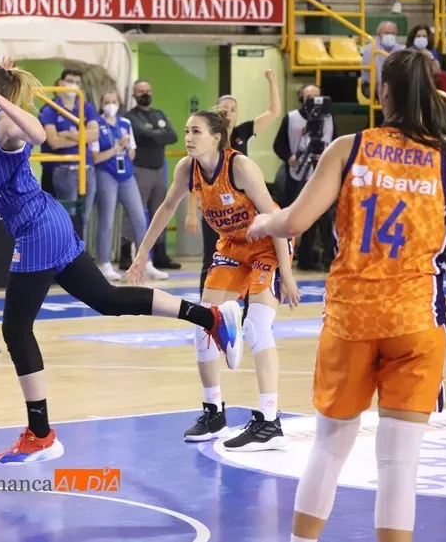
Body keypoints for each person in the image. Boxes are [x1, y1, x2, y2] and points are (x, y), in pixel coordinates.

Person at [0, 60, 245, 465]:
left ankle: (41, 434)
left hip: (39, 226)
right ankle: (210, 317)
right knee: (106, 299)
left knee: (16, 330)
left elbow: (37, 133)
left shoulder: (3, 124)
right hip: (37, 224)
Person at [247, 48, 446, 542]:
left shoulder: (349, 146)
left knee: (329, 448)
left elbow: (295, 221)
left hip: (352, 317)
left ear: (382, 92)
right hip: (416, 317)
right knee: (400, 463)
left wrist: (263, 223)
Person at [127, 106, 300, 450]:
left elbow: (276, 219)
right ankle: (214, 411)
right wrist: (141, 253)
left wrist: (289, 273)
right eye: (187, 131)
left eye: (196, 132)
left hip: (267, 244)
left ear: (216, 138)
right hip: (232, 247)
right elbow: (165, 208)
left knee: (257, 328)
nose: (189, 138)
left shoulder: (240, 167)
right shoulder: (185, 168)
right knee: (204, 324)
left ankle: (269, 421)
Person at [189, 69, 282, 296]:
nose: (229, 113)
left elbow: (274, 111)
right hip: (215, 208)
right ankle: (207, 305)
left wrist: (272, 80)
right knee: (210, 254)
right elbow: (194, 181)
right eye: (224, 109)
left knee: (251, 254)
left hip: (243, 209)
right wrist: (191, 213)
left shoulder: (243, 132)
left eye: (233, 109)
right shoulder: (205, 143)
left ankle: (250, 298)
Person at [91, 90, 150, 281]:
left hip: (126, 174)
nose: (111, 104)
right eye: (107, 101)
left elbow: (132, 155)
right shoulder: (95, 124)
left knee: (140, 217)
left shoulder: (125, 124)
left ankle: (144, 262)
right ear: (101, 103)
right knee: (106, 219)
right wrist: (115, 148)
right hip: (106, 172)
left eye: (114, 101)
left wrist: (125, 145)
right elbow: (96, 157)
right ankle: (105, 262)